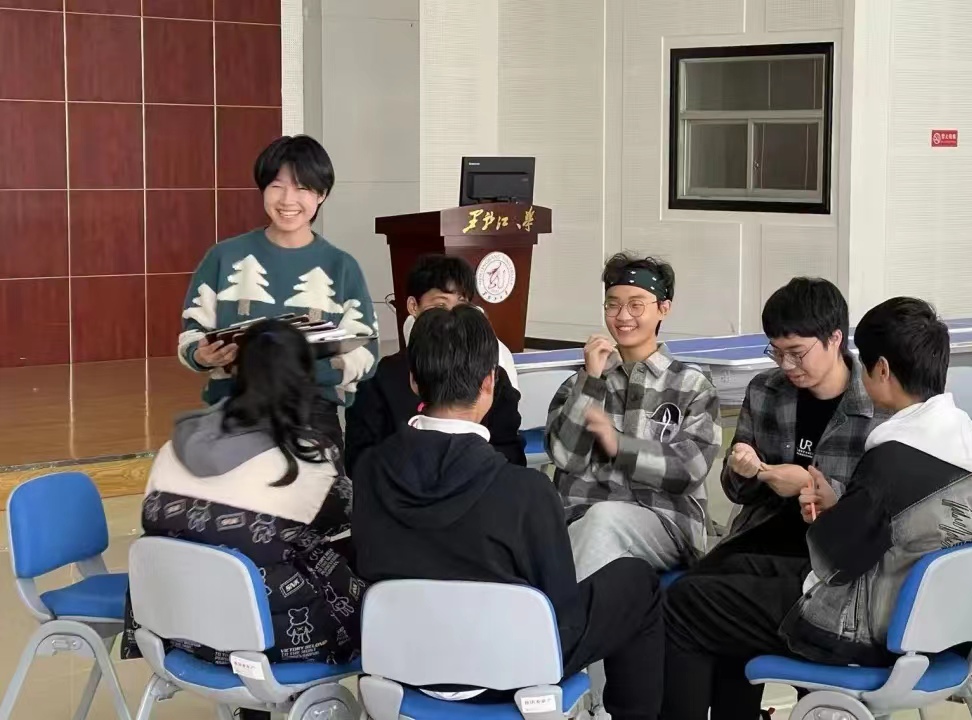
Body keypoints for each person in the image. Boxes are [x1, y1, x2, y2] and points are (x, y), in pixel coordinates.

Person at [661, 297, 972, 720]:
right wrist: (839, 503)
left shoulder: (895, 455)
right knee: (734, 571)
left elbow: (833, 560)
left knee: (686, 601)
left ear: (882, 369)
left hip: (864, 624)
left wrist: (819, 502)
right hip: (936, 620)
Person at [351, 305, 664, 720]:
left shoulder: (369, 472)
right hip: (509, 675)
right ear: (490, 382)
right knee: (637, 581)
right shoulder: (525, 491)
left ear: (413, 381)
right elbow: (560, 612)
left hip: (402, 668)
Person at [121, 320, 363, 675]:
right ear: (305, 381)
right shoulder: (307, 458)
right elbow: (351, 521)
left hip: (176, 632)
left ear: (236, 372)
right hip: (277, 644)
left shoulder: (173, 447)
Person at [177, 135, 378, 449]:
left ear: (322, 195)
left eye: (302, 188)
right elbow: (191, 334)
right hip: (231, 408)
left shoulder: (341, 266)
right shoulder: (223, 257)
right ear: (262, 188)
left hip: (312, 413)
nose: (287, 200)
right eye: (277, 186)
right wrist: (200, 355)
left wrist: (306, 371)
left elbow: (366, 352)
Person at [545, 253, 721, 580]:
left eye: (636, 305)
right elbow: (565, 457)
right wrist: (591, 381)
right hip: (579, 519)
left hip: (664, 523)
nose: (623, 316)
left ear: (663, 308)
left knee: (603, 521)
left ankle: (557, 610)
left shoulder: (692, 385)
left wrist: (621, 446)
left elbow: (690, 469)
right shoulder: (580, 382)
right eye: (613, 305)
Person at [707, 277, 884, 564]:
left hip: (830, 554)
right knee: (691, 583)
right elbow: (736, 492)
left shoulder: (877, 405)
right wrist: (741, 467)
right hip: (759, 538)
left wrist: (811, 485)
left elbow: (882, 510)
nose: (786, 365)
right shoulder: (764, 391)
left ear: (835, 339)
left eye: (797, 353)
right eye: (777, 352)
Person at [344, 254, 525, 469]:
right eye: (440, 304)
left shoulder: (491, 375)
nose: (452, 315)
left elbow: (510, 451)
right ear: (413, 306)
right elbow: (361, 459)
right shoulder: (379, 377)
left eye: (462, 304)